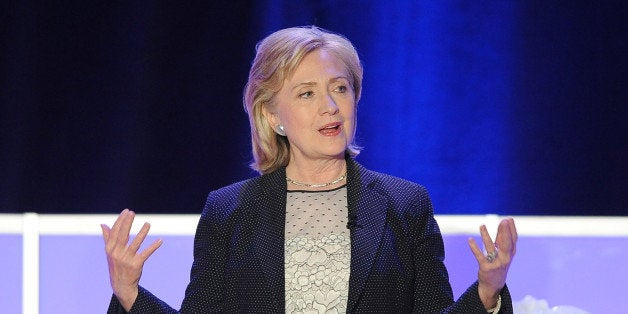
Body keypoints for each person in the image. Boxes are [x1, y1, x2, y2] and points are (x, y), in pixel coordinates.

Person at [101, 25, 517, 313]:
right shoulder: (230, 211)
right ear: (272, 115)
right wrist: (129, 293)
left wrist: (486, 292)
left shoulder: (405, 205)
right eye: (306, 93)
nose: (330, 107)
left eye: (340, 88)